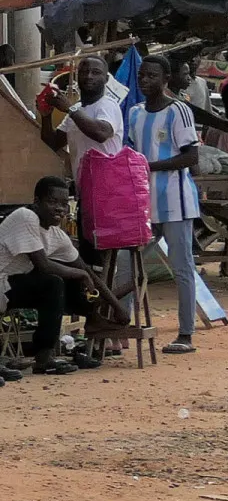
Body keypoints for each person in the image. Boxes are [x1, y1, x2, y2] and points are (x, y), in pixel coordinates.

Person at [0, 177, 120, 376]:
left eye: (64, 204)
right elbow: (43, 265)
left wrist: (116, 306)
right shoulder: (25, 216)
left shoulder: (56, 235)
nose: (60, 209)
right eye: (52, 202)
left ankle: (93, 318)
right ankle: (44, 357)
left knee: (68, 279)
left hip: (10, 287)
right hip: (2, 283)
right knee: (53, 281)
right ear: (36, 202)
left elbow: (87, 271)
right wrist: (81, 274)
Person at [126, 57, 203, 354]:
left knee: (182, 268)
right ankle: (122, 327)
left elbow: (190, 157)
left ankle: (186, 334)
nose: (145, 80)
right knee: (127, 265)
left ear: (165, 78)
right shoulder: (134, 113)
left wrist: (147, 166)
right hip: (143, 203)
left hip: (175, 202)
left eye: (151, 76)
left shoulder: (178, 111)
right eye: (142, 75)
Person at [41, 55, 123, 179]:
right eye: (84, 72)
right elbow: (53, 143)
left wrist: (70, 109)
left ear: (106, 79)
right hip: (85, 187)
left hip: (108, 188)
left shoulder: (108, 105)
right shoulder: (77, 109)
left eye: (96, 72)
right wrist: (46, 115)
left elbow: (101, 133)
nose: (89, 76)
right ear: (77, 76)